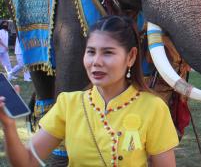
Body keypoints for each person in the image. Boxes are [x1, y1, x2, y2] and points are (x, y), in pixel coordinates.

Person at [0, 15, 178, 166]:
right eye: (91, 52)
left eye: (108, 53)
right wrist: (8, 126)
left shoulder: (153, 107)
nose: (96, 62)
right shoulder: (68, 104)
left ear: (130, 56)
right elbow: (27, 160)